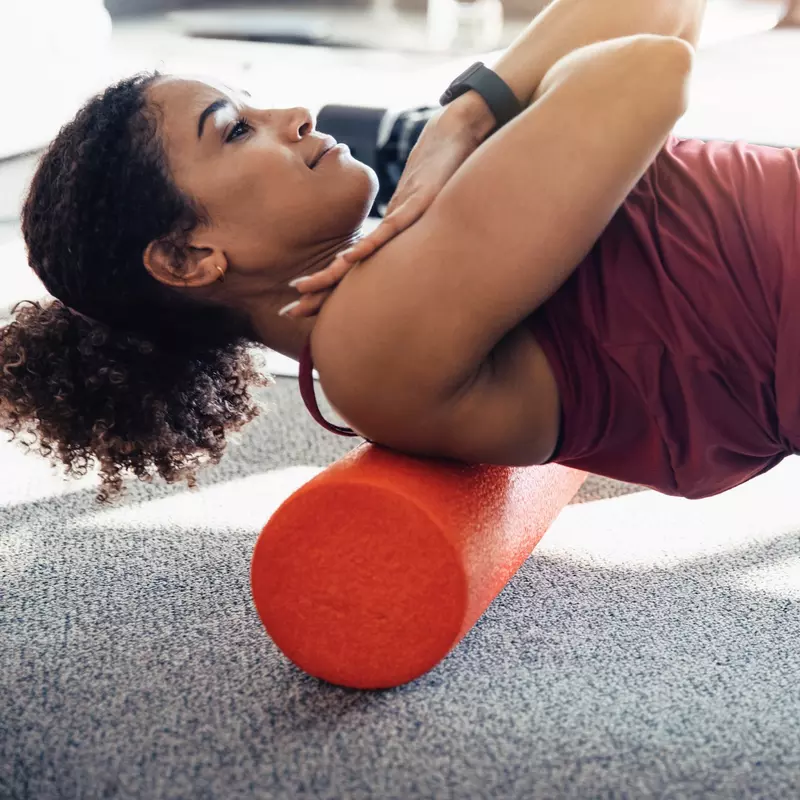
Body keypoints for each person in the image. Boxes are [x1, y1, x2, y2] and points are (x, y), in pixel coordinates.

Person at [5, 0, 783, 505]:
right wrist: (467, 120)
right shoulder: (368, 342)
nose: (294, 114)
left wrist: (457, 120)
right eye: (236, 129)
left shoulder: (395, 271)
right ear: (187, 257)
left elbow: (664, 7)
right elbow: (648, 68)